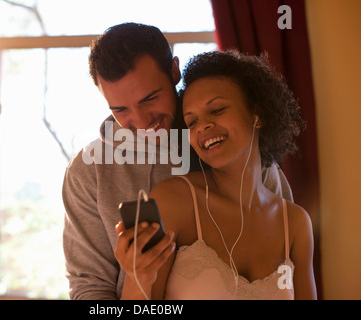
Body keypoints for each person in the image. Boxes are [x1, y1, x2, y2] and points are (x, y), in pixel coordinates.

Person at [62, 23, 294, 300]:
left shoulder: (235, 147)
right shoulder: (89, 172)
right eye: (120, 110)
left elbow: (287, 268)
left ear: (174, 70)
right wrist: (138, 277)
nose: (141, 121)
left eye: (150, 98)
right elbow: (90, 289)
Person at [114, 50, 317, 300]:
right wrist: (137, 278)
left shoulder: (295, 224)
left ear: (258, 113)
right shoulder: (174, 201)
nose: (202, 126)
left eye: (217, 110)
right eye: (191, 122)